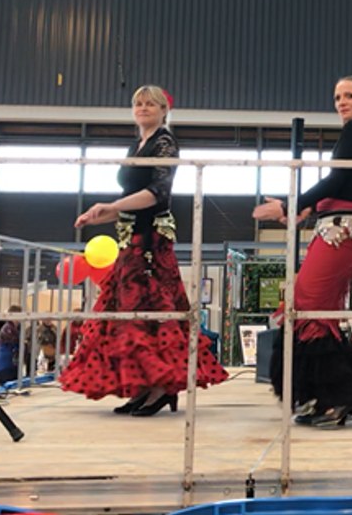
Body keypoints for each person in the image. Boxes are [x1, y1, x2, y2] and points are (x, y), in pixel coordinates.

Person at [60, 85, 228, 416]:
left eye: (151, 103)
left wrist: (111, 206)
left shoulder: (164, 142)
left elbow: (157, 193)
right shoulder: (137, 144)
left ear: (165, 110)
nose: (143, 107)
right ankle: (147, 386)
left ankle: (159, 388)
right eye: (138, 103)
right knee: (131, 313)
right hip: (131, 235)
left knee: (147, 310)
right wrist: (101, 213)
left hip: (150, 238)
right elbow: (133, 196)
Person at [257, 76, 352, 428]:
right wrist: (307, 208)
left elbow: (337, 180)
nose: (342, 102)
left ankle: (337, 397)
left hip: (342, 229)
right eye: (337, 97)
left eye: (349, 95)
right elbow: (345, 183)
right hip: (341, 225)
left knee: (308, 305)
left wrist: (293, 204)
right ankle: (341, 394)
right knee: (316, 310)